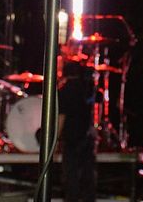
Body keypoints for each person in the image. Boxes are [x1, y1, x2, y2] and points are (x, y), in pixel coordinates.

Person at [54, 58, 96, 202]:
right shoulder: (86, 89)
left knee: (71, 175)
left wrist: (56, 138)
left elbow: (61, 117)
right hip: (86, 136)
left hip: (71, 138)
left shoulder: (64, 91)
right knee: (87, 174)